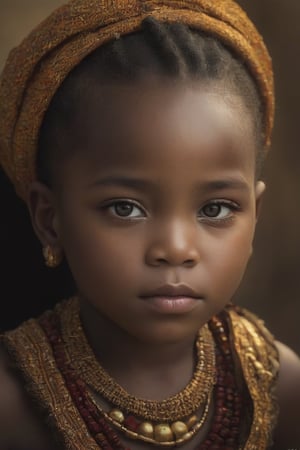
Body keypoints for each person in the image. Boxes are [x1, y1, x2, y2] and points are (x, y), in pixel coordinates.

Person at [0, 0, 299, 449]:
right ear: (49, 218)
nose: (176, 248)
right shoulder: (11, 404)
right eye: (125, 208)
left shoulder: (278, 386)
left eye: (215, 209)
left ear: (254, 216)